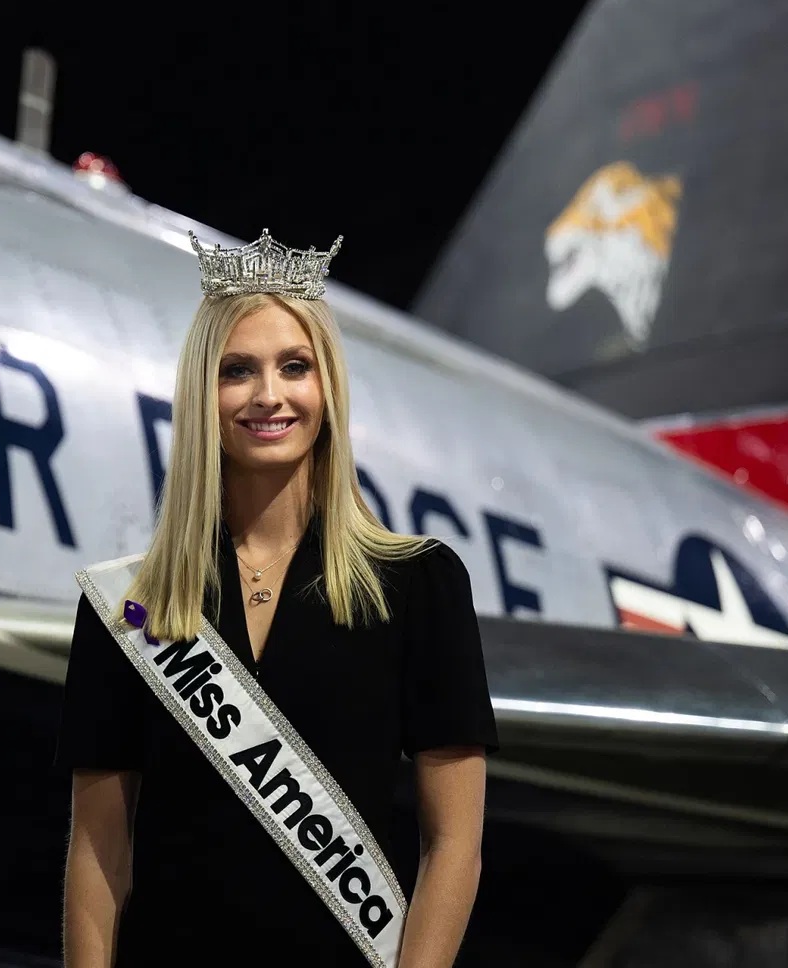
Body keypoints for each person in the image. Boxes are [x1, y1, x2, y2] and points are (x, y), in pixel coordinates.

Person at [56, 229, 498, 968]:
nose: (269, 395)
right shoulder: (132, 606)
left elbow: (454, 845)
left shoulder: (418, 583)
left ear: (328, 387)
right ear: (203, 394)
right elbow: (99, 852)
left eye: (295, 366)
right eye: (237, 371)